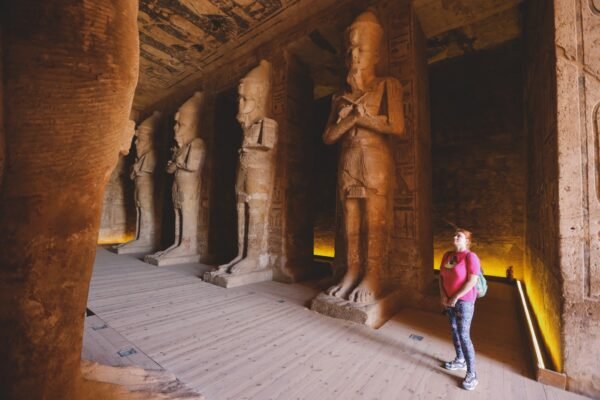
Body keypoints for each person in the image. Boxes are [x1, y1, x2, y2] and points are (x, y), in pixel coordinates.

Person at [323, 10, 405, 303]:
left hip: (375, 159)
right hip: (348, 160)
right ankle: (351, 271)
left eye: (362, 50)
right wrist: (349, 120)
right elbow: (329, 136)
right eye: (351, 50)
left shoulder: (387, 85)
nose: (354, 56)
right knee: (350, 220)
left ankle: (373, 275)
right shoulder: (338, 98)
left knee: (373, 220)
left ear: (376, 55)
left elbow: (396, 127)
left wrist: (362, 118)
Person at [439, 229, 480, 391]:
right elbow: (441, 277)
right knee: (454, 330)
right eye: (454, 234)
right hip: (449, 300)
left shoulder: (471, 257)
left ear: (467, 241)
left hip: (464, 301)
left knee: (464, 335)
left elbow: (472, 281)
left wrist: (455, 297)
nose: (454, 237)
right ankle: (460, 359)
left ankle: (472, 373)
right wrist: (443, 295)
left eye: (459, 236)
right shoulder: (448, 256)